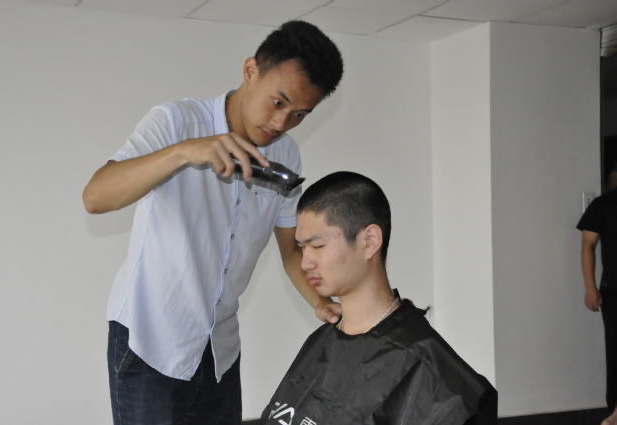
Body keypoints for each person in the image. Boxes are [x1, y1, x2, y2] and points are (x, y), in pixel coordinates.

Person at [82, 21, 343, 425]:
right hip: (149, 339)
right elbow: (95, 197)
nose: (281, 123)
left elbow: (291, 248)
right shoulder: (176, 122)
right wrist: (183, 152)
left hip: (219, 348)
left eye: (298, 115)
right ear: (251, 70)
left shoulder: (286, 155)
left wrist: (319, 301)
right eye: (278, 102)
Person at [260, 172, 497, 425]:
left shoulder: (434, 378)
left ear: (370, 241)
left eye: (317, 246)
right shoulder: (322, 341)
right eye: (301, 248)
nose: (305, 263)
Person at [577, 163, 617, 423]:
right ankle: (614, 413)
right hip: (614, 289)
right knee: (615, 351)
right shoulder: (603, 205)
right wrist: (590, 287)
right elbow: (588, 245)